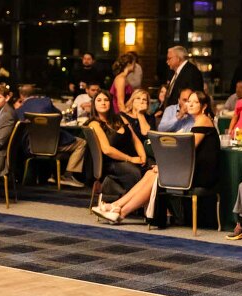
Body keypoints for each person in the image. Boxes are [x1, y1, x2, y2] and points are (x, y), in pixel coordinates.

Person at [93, 91, 218, 224]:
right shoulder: (197, 120)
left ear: (204, 106)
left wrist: (165, 167)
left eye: (195, 102)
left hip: (201, 174)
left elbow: (187, 150)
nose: (190, 104)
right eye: (189, 101)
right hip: (191, 168)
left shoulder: (203, 120)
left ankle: (121, 211)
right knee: (150, 173)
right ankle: (116, 206)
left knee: (155, 176)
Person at [15, 84, 87, 188]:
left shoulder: (18, 110)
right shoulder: (46, 102)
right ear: (36, 94)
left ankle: (52, 174)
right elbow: (58, 115)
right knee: (81, 143)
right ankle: (67, 175)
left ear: (21, 95)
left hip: (29, 148)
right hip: (52, 144)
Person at [88, 90, 145, 193]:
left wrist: (143, 157)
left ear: (110, 102)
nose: (103, 103)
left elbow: (135, 140)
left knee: (152, 168)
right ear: (94, 104)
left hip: (132, 157)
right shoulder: (94, 124)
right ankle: (134, 206)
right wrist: (130, 159)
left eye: (106, 100)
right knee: (134, 172)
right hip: (112, 162)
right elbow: (107, 150)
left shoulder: (121, 118)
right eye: (99, 100)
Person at [163, 46, 204, 111]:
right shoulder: (173, 73)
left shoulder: (192, 72)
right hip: (171, 113)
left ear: (178, 58)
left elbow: (194, 95)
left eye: (169, 58)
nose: (167, 61)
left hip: (184, 116)